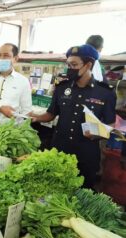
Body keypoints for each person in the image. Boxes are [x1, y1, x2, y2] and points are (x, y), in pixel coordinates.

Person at [30, 44, 116, 189]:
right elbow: (51, 114)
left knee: (82, 194)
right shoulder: (62, 88)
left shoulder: (105, 93)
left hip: (86, 154)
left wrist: (98, 134)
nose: (70, 68)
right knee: (54, 189)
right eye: (68, 64)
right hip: (59, 151)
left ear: (88, 65)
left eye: (74, 64)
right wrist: (35, 117)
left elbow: (110, 125)